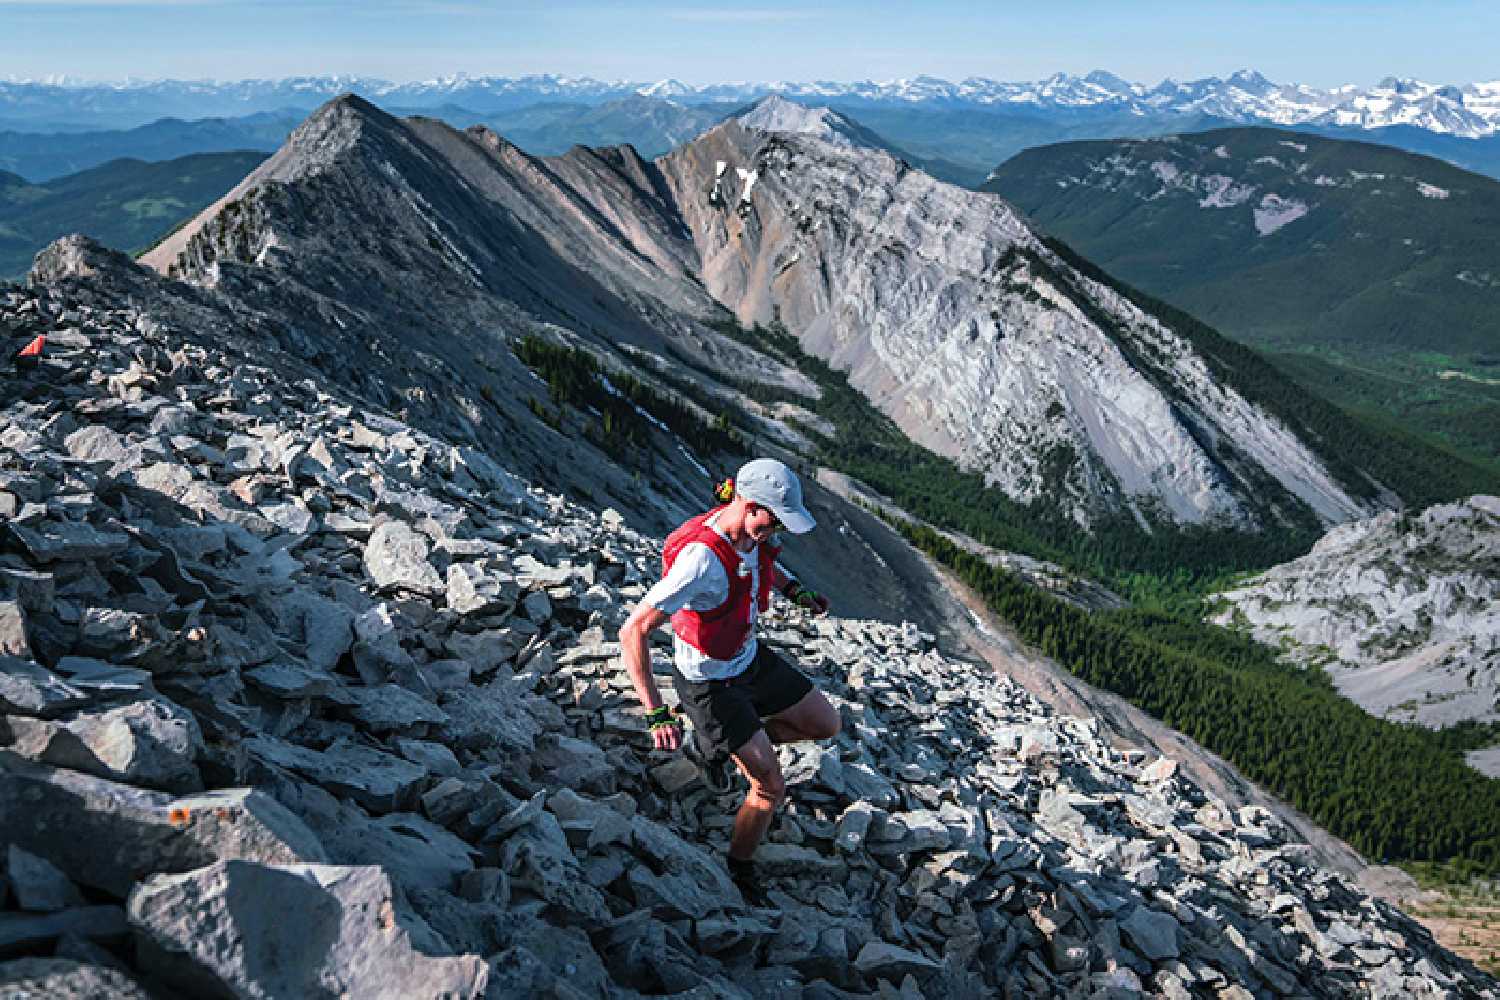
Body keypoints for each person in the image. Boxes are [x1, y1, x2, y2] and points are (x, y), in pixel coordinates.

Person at [618, 457, 839, 907]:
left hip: (748, 659)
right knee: (770, 787)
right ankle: (739, 867)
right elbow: (634, 630)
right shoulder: (701, 560)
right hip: (709, 683)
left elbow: (763, 564)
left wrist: (796, 592)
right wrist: (656, 711)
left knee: (825, 724)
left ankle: (716, 747)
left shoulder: (751, 533)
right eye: (773, 521)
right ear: (751, 505)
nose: (775, 532)